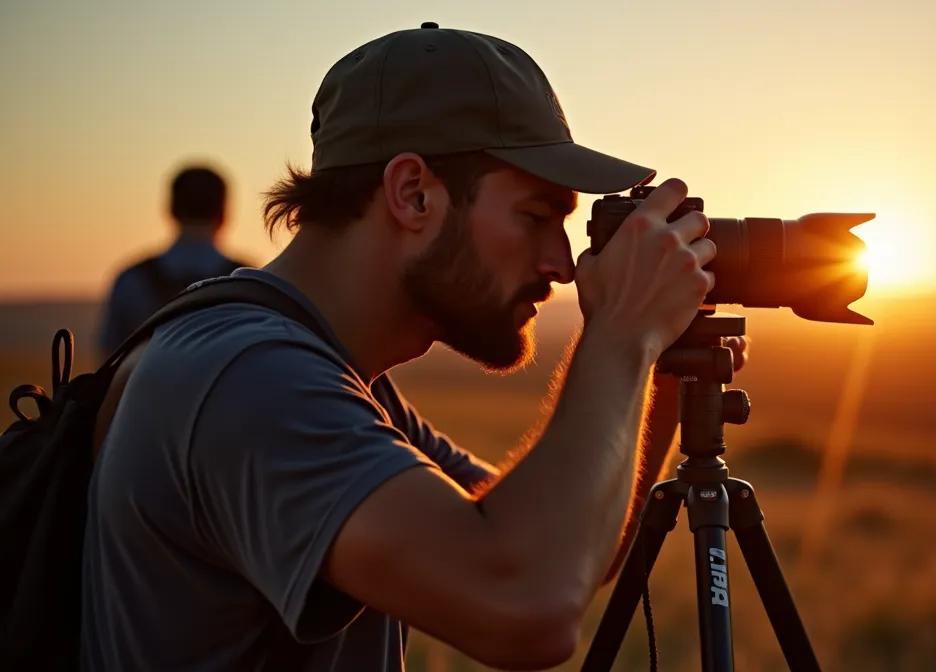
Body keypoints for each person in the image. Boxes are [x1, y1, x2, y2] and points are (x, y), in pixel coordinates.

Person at [81, 23, 745, 671]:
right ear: (412, 194)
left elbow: (570, 550)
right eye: (536, 217)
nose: (562, 264)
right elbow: (525, 602)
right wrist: (621, 336)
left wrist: (654, 364)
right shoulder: (247, 378)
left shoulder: (333, 375)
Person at [96, 164, 250, 360]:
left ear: (171, 210)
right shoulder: (250, 283)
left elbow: (107, 359)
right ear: (223, 214)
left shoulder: (131, 280)